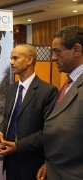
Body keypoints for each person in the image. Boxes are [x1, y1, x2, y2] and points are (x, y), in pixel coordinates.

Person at [0, 44, 58, 180]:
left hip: (32, 165)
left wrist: (18, 146)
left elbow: (48, 132)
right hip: (10, 162)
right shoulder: (11, 89)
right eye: (11, 58)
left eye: (15, 58)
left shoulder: (47, 92)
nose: (11, 62)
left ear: (29, 60)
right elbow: (8, 118)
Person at [37, 25, 83, 180]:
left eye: (57, 52)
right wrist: (50, 164)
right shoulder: (69, 82)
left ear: (77, 50)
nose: (52, 57)